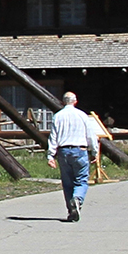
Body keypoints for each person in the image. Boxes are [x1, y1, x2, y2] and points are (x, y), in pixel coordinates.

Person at [47, 91, 110, 222]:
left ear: (63, 102)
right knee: (81, 180)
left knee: (67, 182)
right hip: (80, 150)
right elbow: (90, 135)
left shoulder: (58, 116)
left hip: (63, 151)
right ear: (75, 101)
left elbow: (53, 136)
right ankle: (77, 199)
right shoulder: (82, 115)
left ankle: (71, 210)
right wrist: (94, 151)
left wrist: (50, 155)